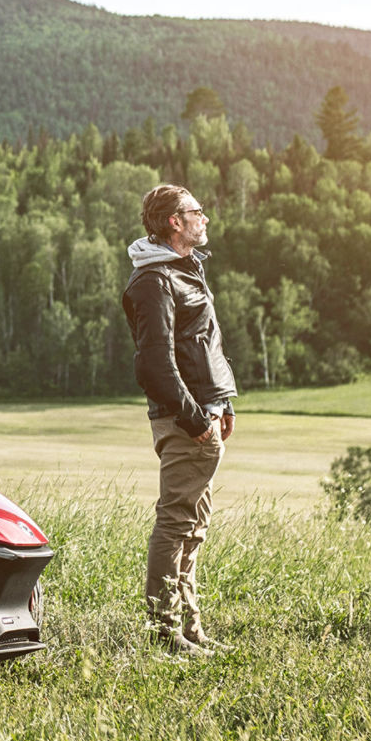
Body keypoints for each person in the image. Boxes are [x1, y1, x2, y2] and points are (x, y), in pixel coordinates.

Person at [121, 184, 238, 658]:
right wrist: (196, 421)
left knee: (193, 526)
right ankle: (165, 635)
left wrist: (223, 403)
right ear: (175, 221)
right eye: (197, 211)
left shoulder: (183, 269)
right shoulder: (154, 282)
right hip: (185, 422)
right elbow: (155, 365)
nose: (204, 218)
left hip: (204, 415)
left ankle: (190, 629)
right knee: (175, 526)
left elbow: (204, 342)